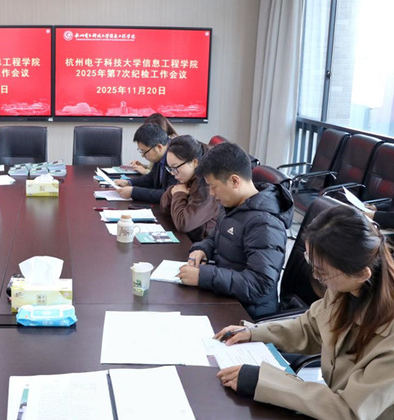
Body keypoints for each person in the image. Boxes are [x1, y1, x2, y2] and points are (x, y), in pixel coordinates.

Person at [215, 204, 394, 419]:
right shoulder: (345, 288)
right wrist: (254, 333)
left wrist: (265, 381)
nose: (316, 277)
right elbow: (310, 327)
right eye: (312, 263)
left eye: (322, 272)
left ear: (362, 274)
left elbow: (349, 411)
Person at [177, 142, 293, 319]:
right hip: (225, 296)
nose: (212, 193)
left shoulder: (265, 223)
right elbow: (215, 237)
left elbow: (259, 284)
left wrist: (203, 276)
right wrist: (202, 249)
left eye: (213, 186)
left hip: (247, 313)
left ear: (234, 181)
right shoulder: (233, 204)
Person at [159, 135, 218, 242]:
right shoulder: (188, 176)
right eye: (170, 168)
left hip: (202, 244)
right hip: (188, 239)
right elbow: (164, 207)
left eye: (175, 167)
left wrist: (178, 194)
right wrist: (172, 191)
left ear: (194, 162)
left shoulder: (207, 185)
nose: (172, 173)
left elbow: (184, 224)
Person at [113, 123, 176, 203]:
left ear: (159, 147)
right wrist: (129, 182)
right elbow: (151, 178)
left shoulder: (175, 157)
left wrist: (134, 192)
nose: (143, 156)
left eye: (144, 151)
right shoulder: (161, 154)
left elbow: (168, 195)